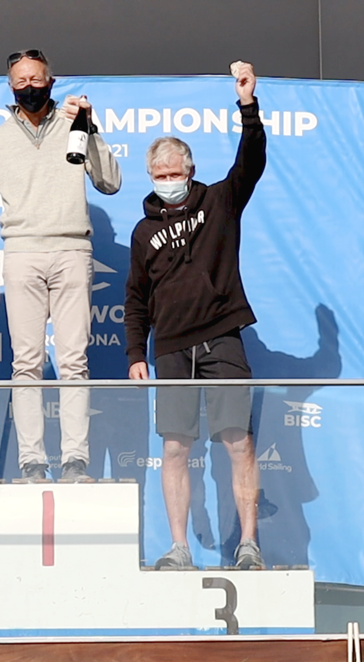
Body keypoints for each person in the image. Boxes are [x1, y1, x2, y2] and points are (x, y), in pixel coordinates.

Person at [123, 61, 267, 570]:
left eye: (176, 173)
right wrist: (134, 354)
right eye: (160, 175)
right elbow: (136, 299)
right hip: (171, 347)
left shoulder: (221, 201)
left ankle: (249, 544)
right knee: (176, 448)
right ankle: (180, 547)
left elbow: (251, 161)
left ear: (190, 170)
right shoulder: (143, 233)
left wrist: (247, 106)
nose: (169, 182)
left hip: (222, 335)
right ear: (151, 176)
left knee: (237, 441)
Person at [0, 48, 121, 482]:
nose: (30, 87)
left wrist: (91, 129)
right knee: (26, 362)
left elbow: (110, 182)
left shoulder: (76, 123)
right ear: (10, 86)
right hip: (21, 253)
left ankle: (75, 461)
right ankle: (31, 461)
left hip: (73, 250)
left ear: (51, 81)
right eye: (21, 81)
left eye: (37, 79)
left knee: (73, 361)